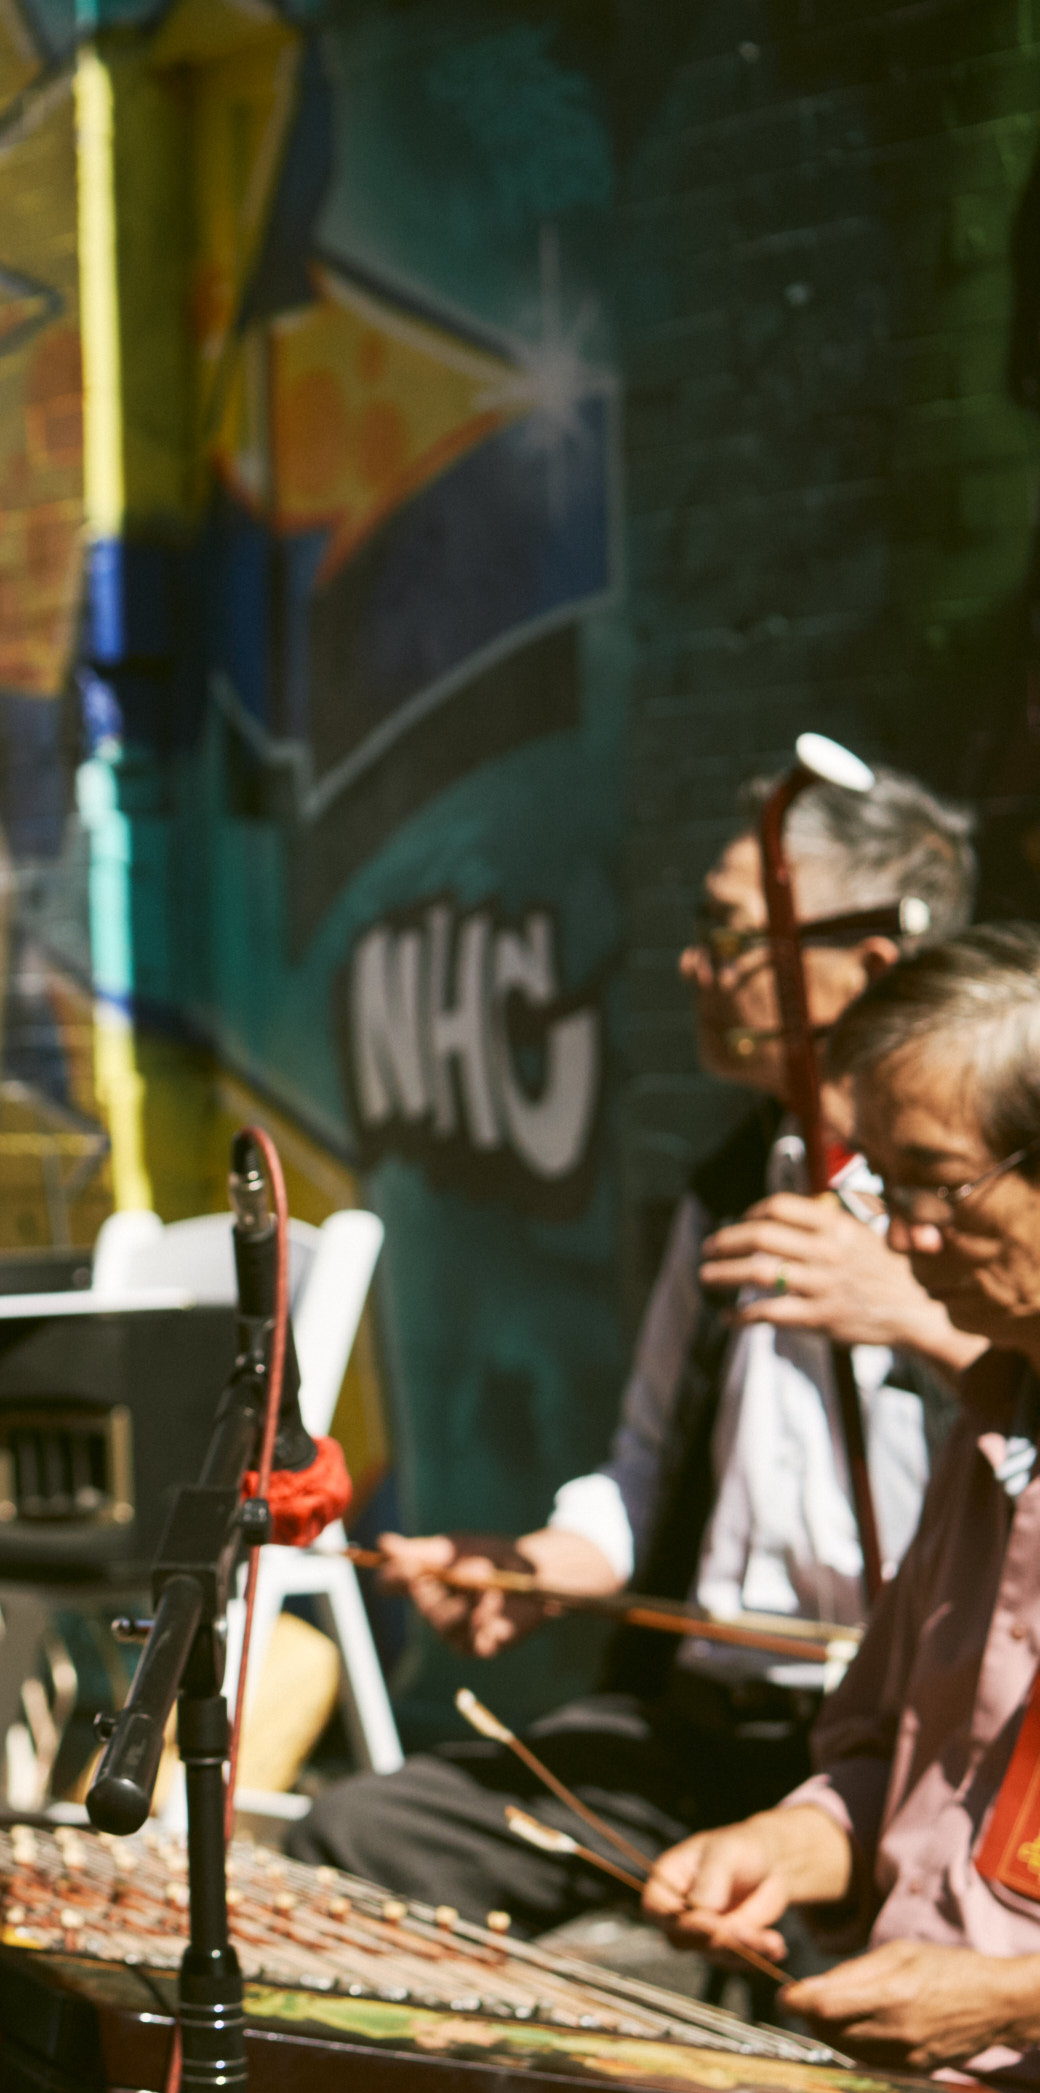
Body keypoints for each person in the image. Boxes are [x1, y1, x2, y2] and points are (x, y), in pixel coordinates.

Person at [296, 769, 978, 1930]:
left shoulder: (981, 1206)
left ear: (870, 965)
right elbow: (645, 1470)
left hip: (908, 1744)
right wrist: (540, 1565)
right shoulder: (730, 1186)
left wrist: (916, 1315)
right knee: (358, 1836)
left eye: (732, 933)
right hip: (704, 1725)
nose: (695, 967)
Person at [645, 923, 1040, 2093]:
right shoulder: (992, 1432)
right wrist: (780, 1846)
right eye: (885, 1187)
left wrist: (1008, 2000)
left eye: (938, 1185)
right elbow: (883, 1760)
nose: (905, 1237)